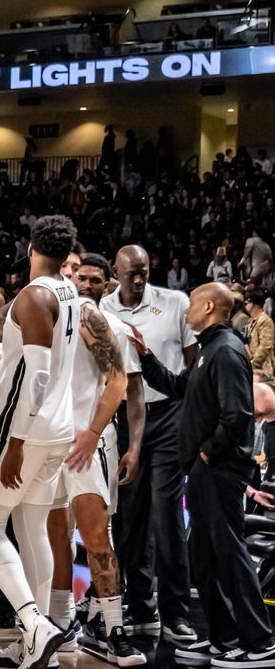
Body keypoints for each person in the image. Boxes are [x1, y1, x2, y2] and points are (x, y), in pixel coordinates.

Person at [128, 283, 275, 669]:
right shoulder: (210, 349)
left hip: (220, 470)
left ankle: (259, 642)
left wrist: (207, 453)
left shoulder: (225, 350)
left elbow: (237, 415)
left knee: (230, 553)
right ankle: (223, 637)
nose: (186, 309)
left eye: (191, 303)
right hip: (204, 469)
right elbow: (180, 388)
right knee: (205, 556)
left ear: (208, 306)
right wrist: (146, 357)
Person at [0, 215, 79, 669]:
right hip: (58, 428)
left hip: (25, 432)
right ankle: (42, 645)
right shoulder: (69, 293)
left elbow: (32, 375)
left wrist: (12, 442)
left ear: (30, 245)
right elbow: (22, 332)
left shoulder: (34, 296)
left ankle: (32, 624)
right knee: (32, 525)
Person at [46, 253, 148, 668]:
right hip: (49, 440)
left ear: (107, 286)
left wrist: (99, 433)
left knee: (96, 539)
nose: (84, 283)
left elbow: (127, 387)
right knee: (52, 541)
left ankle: (114, 631)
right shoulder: (49, 310)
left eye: (94, 279)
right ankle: (58, 624)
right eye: (78, 276)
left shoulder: (111, 326)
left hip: (90, 440)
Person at [100, 244, 197, 640]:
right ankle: (141, 606)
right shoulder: (102, 309)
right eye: (131, 273)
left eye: (144, 271)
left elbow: (193, 363)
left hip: (171, 413)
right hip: (124, 415)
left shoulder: (175, 302)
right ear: (116, 272)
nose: (139, 279)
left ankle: (177, 613)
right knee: (130, 515)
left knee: (168, 513)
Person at [245, 291, 274, 377]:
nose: (245, 305)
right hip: (252, 365)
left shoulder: (265, 321)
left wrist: (253, 364)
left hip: (263, 368)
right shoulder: (250, 321)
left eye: (247, 303)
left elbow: (266, 346)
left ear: (253, 305)